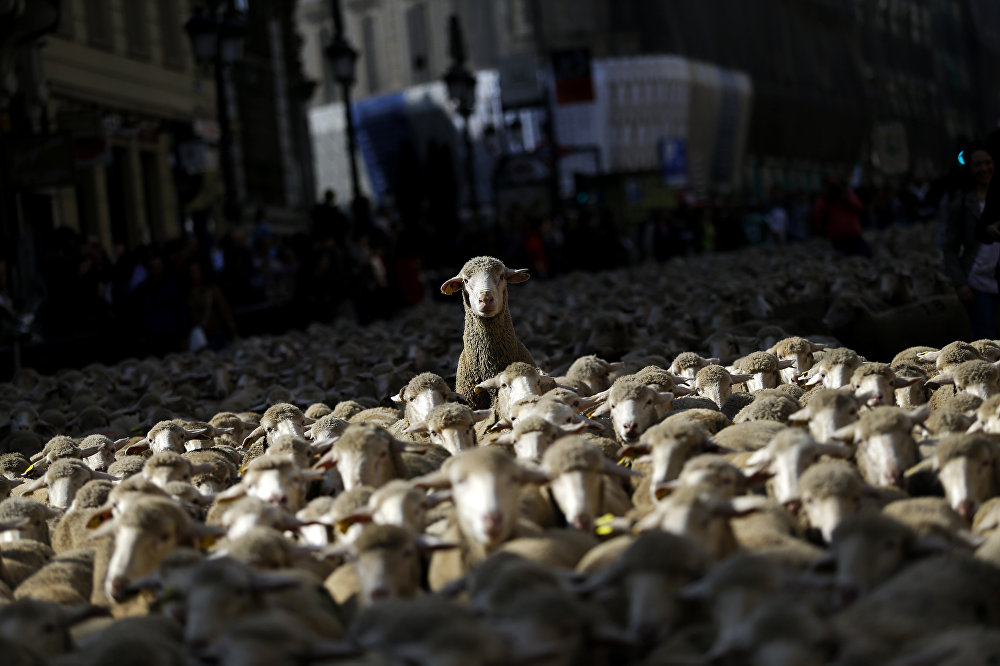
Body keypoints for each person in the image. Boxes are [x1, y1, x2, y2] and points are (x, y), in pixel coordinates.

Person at [941, 141, 996, 339]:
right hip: (979, 282)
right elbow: (949, 247)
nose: (984, 169)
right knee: (987, 341)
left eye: (988, 163)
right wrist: (960, 283)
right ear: (970, 169)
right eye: (977, 165)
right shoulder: (962, 203)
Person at [811, 175, 871, 256]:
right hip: (838, 238)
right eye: (830, 185)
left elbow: (859, 207)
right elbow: (817, 216)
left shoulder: (847, 194)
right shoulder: (824, 200)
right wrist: (824, 198)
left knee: (866, 257)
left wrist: (845, 197)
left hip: (854, 235)